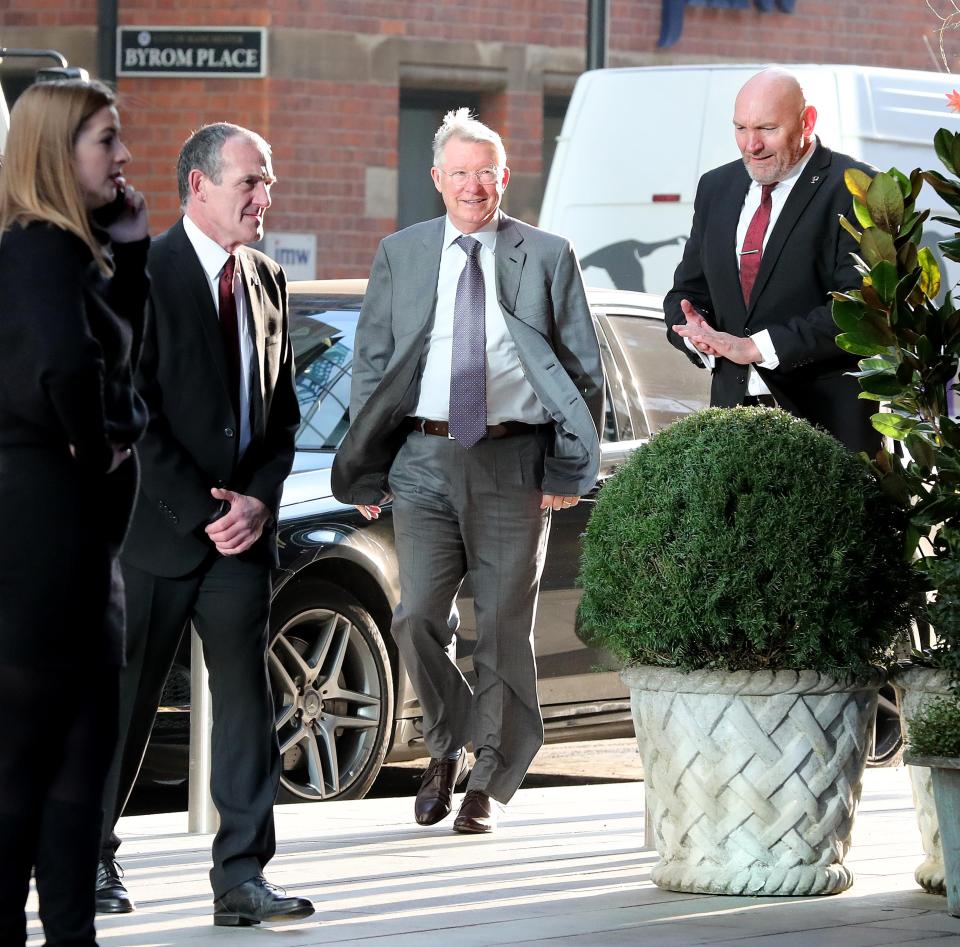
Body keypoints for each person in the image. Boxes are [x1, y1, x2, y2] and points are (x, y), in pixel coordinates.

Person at [332, 109, 604, 834]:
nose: (474, 186)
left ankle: (487, 774)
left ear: (504, 177)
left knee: (504, 628)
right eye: (460, 173)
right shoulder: (402, 252)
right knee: (415, 613)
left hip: (516, 459)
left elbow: (582, 369)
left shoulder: (547, 255)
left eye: (486, 172)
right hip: (421, 458)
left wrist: (568, 465)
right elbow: (372, 364)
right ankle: (448, 744)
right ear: (437, 180)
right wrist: (369, 463)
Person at [94, 122, 312, 927]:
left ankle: (243, 875)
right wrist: (204, 507)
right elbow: (132, 412)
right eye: (250, 182)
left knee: (249, 703)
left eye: (268, 181)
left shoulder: (268, 280)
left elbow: (281, 415)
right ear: (199, 187)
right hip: (155, 530)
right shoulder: (138, 274)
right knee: (125, 700)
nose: (265, 197)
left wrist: (256, 499)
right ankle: (89, 855)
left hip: (241, 538)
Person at [0, 78, 149, 946]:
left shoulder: (68, 249)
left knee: (70, 769)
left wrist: (127, 249)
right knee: (33, 768)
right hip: (47, 540)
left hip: (72, 544)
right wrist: (100, 445)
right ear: (60, 154)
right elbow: (65, 368)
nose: (124, 157)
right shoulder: (38, 249)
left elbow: (114, 346)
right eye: (106, 139)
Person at [664, 66, 880, 454]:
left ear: (807, 121)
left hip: (827, 425)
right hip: (731, 423)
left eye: (766, 129)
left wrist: (756, 347)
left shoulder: (857, 187)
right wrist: (697, 332)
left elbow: (859, 310)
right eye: (740, 128)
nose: (751, 145)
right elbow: (686, 291)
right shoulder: (716, 187)